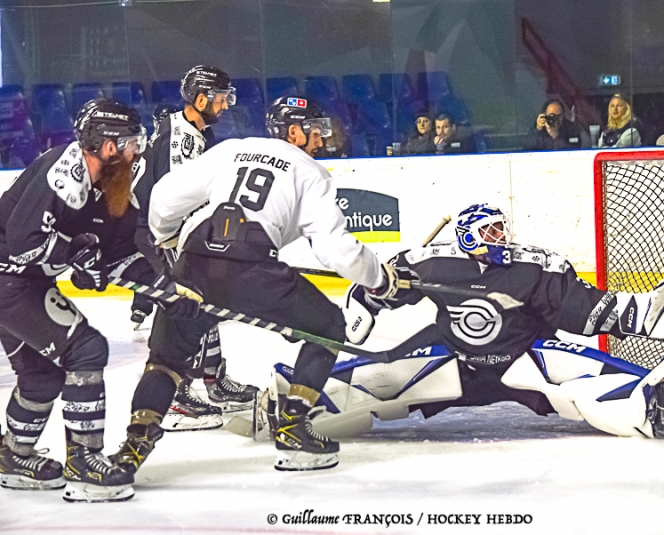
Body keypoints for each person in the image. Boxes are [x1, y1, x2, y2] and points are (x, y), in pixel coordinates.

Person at [110, 95, 408, 477]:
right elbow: (336, 250)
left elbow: (165, 197)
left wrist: (166, 235)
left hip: (194, 265)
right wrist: (380, 279)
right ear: (295, 131)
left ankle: (132, 449)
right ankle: (293, 429)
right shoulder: (310, 173)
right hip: (253, 270)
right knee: (330, 327)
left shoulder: (234, 149)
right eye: (316, 131)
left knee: (165, 362)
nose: (320, 139)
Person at [260, 204, 664, 443]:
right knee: (378, 377)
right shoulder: (432, 263)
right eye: (490, 232)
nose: (500, 238)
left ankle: (650, 404)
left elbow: (579, 307)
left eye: (501, 230)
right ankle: (291, 403)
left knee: (587, 380)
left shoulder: (533, 266)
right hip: (453, 358)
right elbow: (384, 285)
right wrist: (366, 302)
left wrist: (636, 313)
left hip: (524, 358)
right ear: (468, 237)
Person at [0, 99, 147, 502]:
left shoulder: (113, 188)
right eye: (132, 142)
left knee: (41, 376)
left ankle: (13, 456)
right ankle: (84, 461)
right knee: (86, 348)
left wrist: (169, 290)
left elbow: (118, 257)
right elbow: (24, 243)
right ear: (109, 146)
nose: (137, 151)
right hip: (8, 279)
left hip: (22, 281)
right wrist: (76, 255)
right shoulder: (62, 174)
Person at [131, 65, 258, 431]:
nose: (225, 105)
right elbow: (178, 201)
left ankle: (214, 381)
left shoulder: (193, 130)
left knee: (206, 300)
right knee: (187, 305)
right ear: (201, 99)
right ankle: (176, 396)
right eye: (220, 99)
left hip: (161, 226)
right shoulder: (182, 139)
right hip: (156, 231)